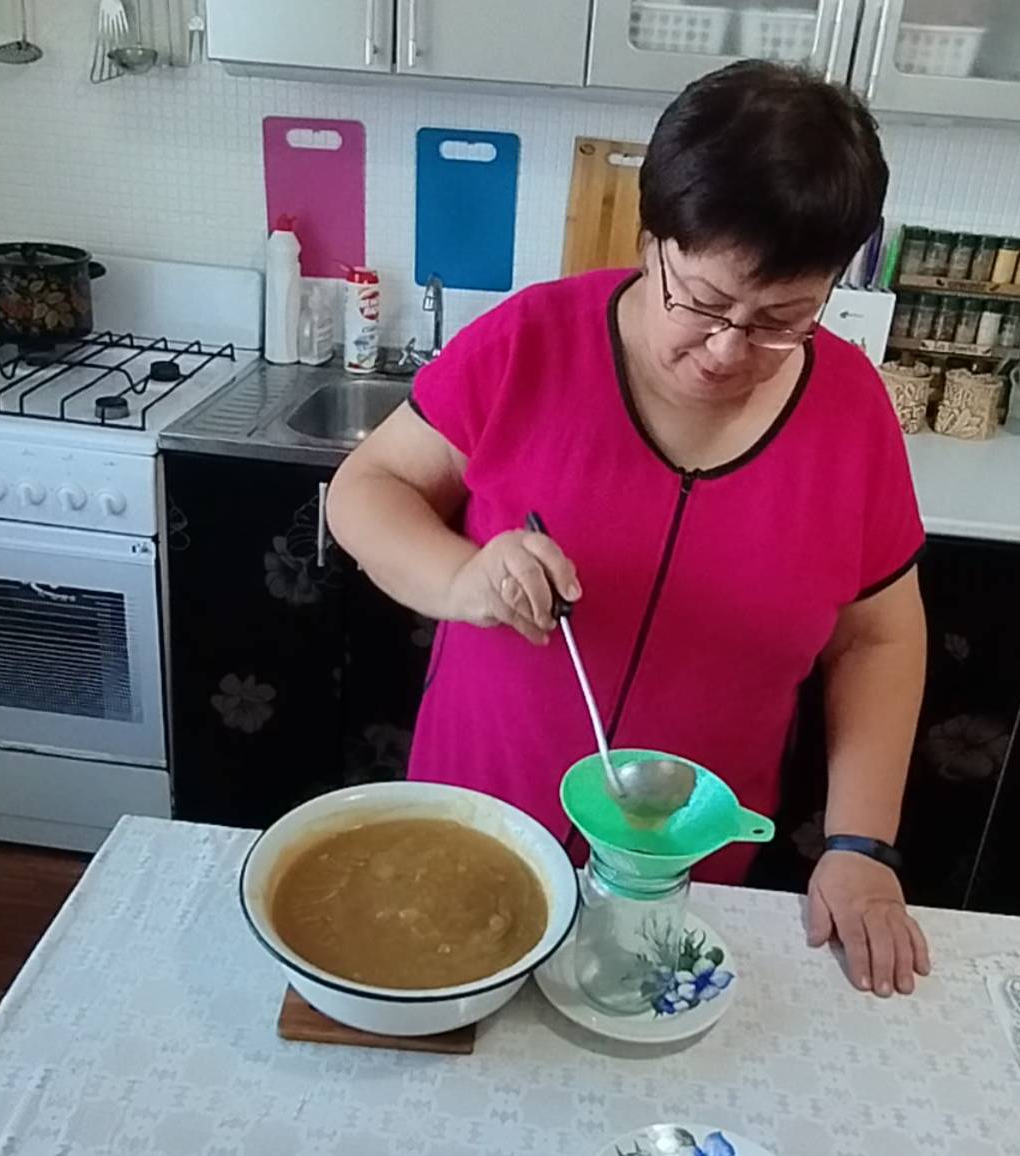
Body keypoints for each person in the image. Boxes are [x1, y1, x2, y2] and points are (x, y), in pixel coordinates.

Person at [326, 61, 930, 998]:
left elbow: (879, 636)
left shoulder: (851, 411)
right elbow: (367, 487)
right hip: (477, 825)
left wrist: (861, 845)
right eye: (702, 301)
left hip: (686, 873)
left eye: (782, 319)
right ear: (651, 241)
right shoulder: (530, 341)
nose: (728, 350)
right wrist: (459, 578)